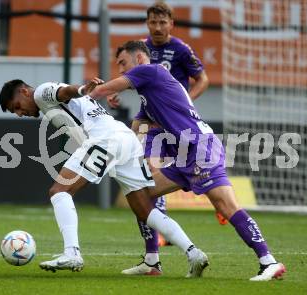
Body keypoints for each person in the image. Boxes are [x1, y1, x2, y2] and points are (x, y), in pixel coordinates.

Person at [87, 40, 286, 281]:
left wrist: (84, 93)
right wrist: (128, 150)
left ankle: (269, 262)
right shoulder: (149, 95)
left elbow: (100, 91)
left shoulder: (150, 70)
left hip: (200, 147)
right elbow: (138, 126)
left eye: (122, 63)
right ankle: (152, 260)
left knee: (226, 206)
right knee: (142, 193)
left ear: (139, 58)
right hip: (183, 155)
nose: (120, 69)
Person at [0, 78, 209, 277]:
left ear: (25, 91)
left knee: (59, 191)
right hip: (125, 138)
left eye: (16, 106)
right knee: (145, 208)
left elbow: (65, 92)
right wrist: (84, 92)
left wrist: (82, 89)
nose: (19, 113)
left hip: (104, 139)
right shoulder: (45, 103)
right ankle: (193, 253)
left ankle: (72, 253)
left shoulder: (41, 93)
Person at [107, 2, 217, 276]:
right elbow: (132, 80)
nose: (157, 28)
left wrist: (184, 104)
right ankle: (153, 255)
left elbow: (202, 78)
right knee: (143, 180)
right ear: (147, 24)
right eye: (152, 23)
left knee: (153, 182)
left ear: (171, 24)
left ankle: (218, 205)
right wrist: (116, 93)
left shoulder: (180, 49)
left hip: (178, 125)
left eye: (162, 23)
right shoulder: (140, 49)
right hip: (151, 122)